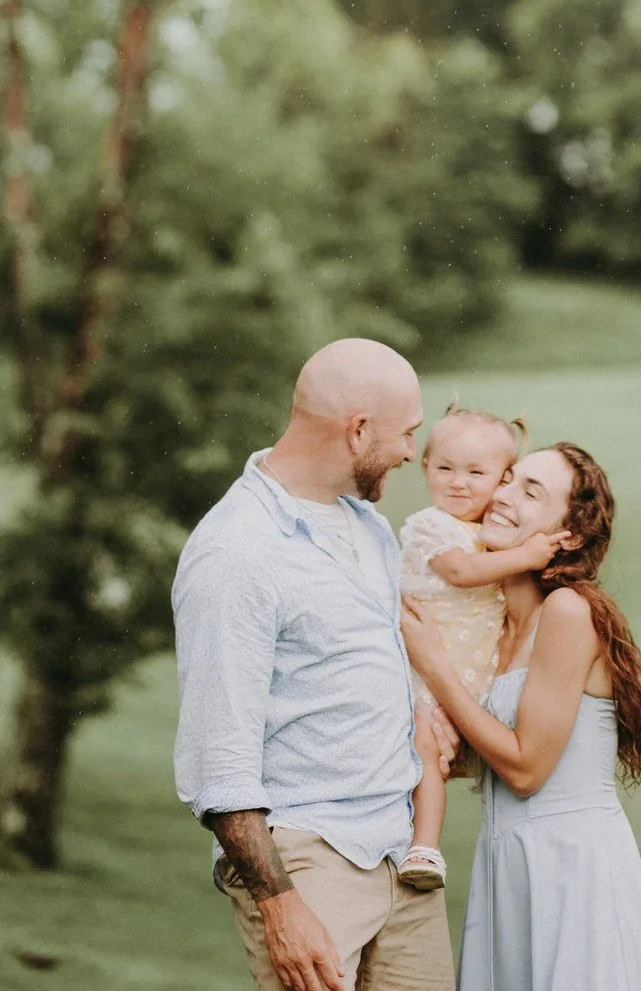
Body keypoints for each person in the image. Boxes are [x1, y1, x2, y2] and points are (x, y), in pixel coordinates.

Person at [173, 338, 456, 991]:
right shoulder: (238, 553)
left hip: (401, 854)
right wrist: (281, 906)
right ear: (358, 431)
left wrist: (415, 709)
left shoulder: (368, 527)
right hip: (309, 862)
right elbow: (219, 761)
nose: (412, 454)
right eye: (407, 434)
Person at [401, 444, 641, 991]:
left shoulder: (568, 611)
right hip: (506, 859)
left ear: (567, 536)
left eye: (531, 491)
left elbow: (526, 769)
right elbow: (475, 741)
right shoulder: (493, 626)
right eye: (509, 480)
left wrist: (433, 664)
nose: (502, 495)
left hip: (570, 864)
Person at [396, 406, 559, 893]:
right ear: (425, 466)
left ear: (501, 479)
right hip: (423, 675)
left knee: (443, 754)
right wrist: (526, 555)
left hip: (466, 675)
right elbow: (460, 573)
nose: (459, 483)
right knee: (424, 747)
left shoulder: (487, 531)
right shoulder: (432, 526)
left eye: (476, 472)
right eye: (445, 468)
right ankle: (423, 847)